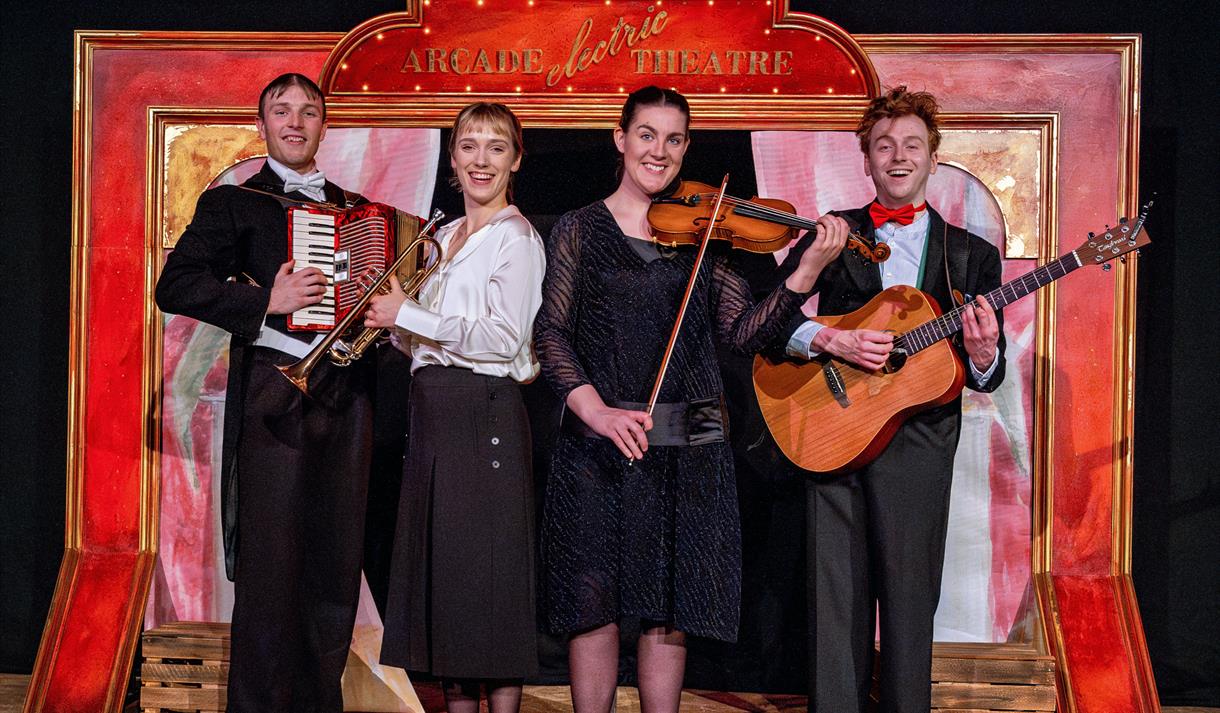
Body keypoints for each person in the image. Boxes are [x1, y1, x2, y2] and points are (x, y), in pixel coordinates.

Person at [533, 85, 848, 713]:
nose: (659, 151)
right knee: (592, 606)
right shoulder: (579, 228)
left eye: (674, 139)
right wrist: (595, 409)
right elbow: (551, 332)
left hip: (690, 447)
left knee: (669, 612)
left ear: (686, 148)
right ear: (621, 139)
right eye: (646, 135)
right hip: (598, 444)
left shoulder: (710, 234)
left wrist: (805, 272)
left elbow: (743, 334)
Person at [778, 86, 1006, 713]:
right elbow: (772, 319)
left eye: (912, 145)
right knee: (835, 605)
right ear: (867, 159)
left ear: (932, 157)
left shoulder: (971, 255)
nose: (898, 157)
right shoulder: (833, 233)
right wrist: (829, 339)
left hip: (920, 444)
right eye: (884, 146)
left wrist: (983, 353)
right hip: (833, 427)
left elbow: (987, 373)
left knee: (909, 602)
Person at [155, 73, 373, 712]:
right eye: (282, 111)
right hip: (272, 400)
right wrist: (265, 300)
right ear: (262, 125)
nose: (296, 123)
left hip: (347, 401)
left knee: (334, 568)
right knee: (270, 567)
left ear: (325, 126)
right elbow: (175, 285)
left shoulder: (359, 210)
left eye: (309, 112)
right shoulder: (235, 202)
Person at [364, 102, 545, 713]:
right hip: (436, 420)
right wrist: (392, 323)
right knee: (451, 606)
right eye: (469, 146)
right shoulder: (441, 238)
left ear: (515, 160)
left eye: (496, 147)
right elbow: (429, 342)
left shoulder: (516, 238)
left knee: (489, 596)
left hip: (483, 416)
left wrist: (410, 315)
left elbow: (503, 339)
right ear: (452, 158)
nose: (481, 160)